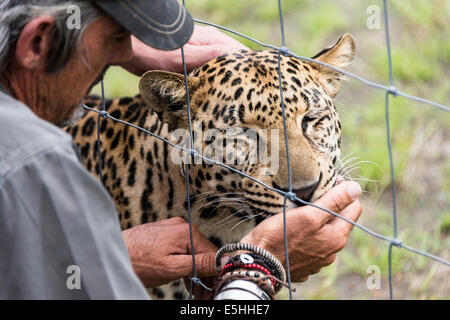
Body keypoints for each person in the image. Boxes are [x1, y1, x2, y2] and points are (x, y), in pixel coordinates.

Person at [0, 0, 362, 299]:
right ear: (37, 44)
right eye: (116, 37)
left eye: (312, 121)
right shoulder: (36, 163)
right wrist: (256, 269)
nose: (303, 177)